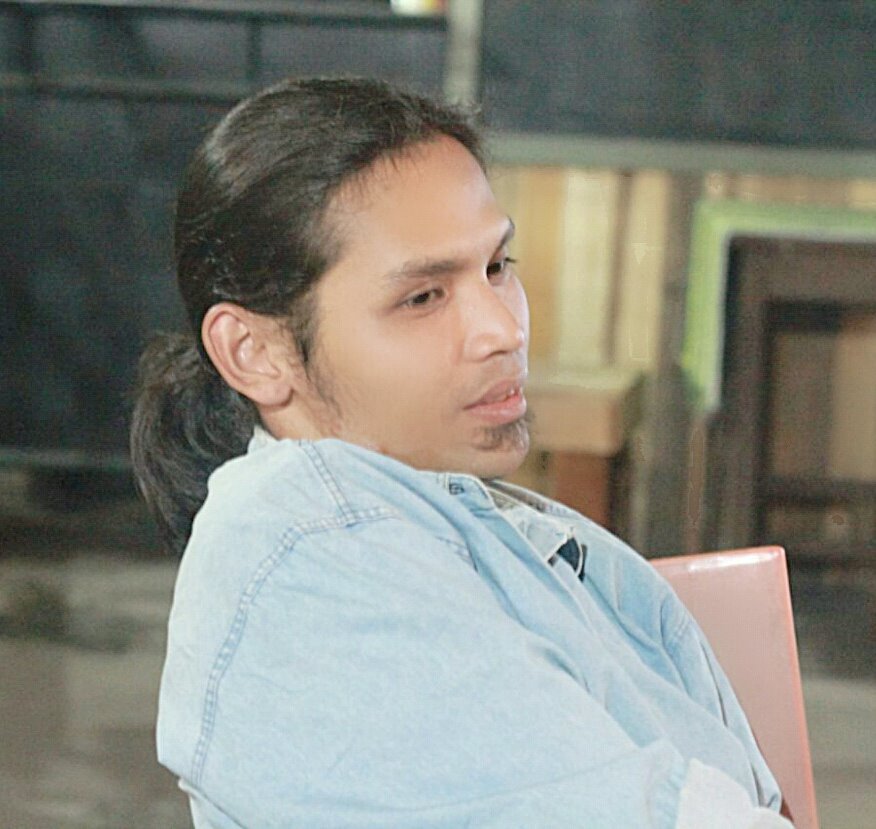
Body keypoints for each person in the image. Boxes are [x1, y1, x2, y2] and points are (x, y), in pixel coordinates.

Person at [131, 77, 792, 828]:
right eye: (423, 297)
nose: (503, 330)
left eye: (497, 267)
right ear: (253, 352)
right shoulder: (314, 556)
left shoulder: (441, 515)